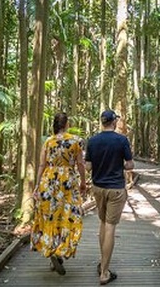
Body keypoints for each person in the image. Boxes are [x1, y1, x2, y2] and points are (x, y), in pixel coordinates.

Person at [31, 112, 87, 275]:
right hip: (68, 181)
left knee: (50, 216)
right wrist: (83, 182)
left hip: (49, 181)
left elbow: (42, 164)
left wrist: (37, 184)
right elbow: (80, 164)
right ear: (67, 124)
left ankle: (52, 251)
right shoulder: (76, 141)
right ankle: (62, 249)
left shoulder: (48, 141)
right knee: (69, 214)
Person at [85, 109, 134, 285]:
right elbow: (129, 165)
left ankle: (102, 261)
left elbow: (88, 167)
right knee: (110, 227)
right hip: (115, 189)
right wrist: (120, 163)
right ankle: (104, 272)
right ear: (113, 122)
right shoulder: (121, 140)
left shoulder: (92, 140)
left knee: (103, 223)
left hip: (98, 188)